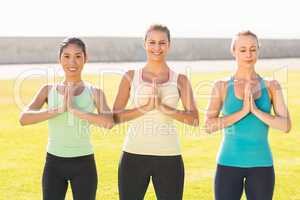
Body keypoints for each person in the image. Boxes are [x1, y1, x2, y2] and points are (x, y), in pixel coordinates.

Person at [19, 37, 114, 200]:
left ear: (85, 58)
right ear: (60, 59)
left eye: (78, 56)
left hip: (84, 163)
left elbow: (108, 123)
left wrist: (75, 110)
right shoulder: (47, 90)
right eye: (67, 56)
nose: (72, 62)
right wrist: (59, 109)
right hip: (54, 164)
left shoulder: (95, 92)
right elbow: (24, 119)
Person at [113, 24, 199, 200]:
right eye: (152, 42)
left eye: (162, 43)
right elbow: (114, 117)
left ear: (169, 45)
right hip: (133, 155)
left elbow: (194, 119)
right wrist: (144, 108)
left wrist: (163, 107)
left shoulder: (180, 80)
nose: (157, 48)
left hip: (169, 156)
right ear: (145, 44)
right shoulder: (130, 76)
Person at [205, 31, 291, 200]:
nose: (248, 54)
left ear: (258, 51)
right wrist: (243, 112)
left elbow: (286, 125)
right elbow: (209, 126)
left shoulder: (271, 86)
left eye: (253, 49)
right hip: (228, 164)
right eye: (243, 50)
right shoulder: (221, 86)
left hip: (262, 165)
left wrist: (257, 111)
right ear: (234, 51)